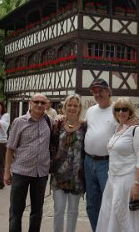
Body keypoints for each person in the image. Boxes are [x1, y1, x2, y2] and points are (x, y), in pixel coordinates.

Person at [96, 97, 139, 232]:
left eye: (124, 109)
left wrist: (137, 185)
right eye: (117, 109)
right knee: (111, 217)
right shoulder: (118, 129)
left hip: (128, 180)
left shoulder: (137, 131)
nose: (121, 112)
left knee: (127, 219)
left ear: (130, 111)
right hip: (113, 179)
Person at [4, 93, 53, 232]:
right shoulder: (19, 122)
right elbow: (10, 148)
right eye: (36, 102)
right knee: (16, 210)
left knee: (37, 210)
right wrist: (7, 172)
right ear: (30, 103)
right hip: (21, 172)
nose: (39, 105)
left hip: (41, 173)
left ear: (46, 105)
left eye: (42, 103)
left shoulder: (49, 121)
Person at [84, 78, 117, 231]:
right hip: (88, 162)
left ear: (108, 90)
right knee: (91, 204)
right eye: (94, 91)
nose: (97, 94)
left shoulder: (118, 109)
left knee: (109, 203)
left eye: (101, 90)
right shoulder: (90, 111)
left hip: (107, 163)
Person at [51, 94, 86, 232]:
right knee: (58, 210)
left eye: (75, 105)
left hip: (77, 176)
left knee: (73, 210)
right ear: (65, 107)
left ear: (79, 108)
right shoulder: (57, 124)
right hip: (59, 175)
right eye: (69, 105)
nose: (72, 108)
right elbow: (52, 145)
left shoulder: (84, 126)